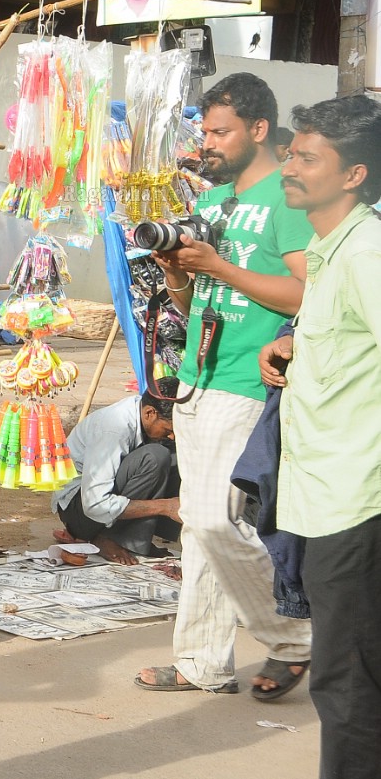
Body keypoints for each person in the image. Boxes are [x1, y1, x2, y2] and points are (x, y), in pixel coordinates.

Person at [136, 72, 312, 697]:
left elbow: (306, 291)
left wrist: (219, 265)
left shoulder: (289, 200)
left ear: (258, 130)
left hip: (248, 381)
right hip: (196, 379)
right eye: (204, 131)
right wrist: (177, 272)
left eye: (220, 131)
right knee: (197, 527)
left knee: (214, 520)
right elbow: (193, 297)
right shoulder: (209, 205)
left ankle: (295, 635)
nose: (206, 143)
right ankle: (201, 664)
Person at [261, 95, 381, 777]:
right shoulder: (329, 251)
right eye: (293, 150)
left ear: (354, 174)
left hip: (355, 501)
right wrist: (290, 345)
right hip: (326, 496)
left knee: (347, 687)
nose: (292, 164)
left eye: (308, 156)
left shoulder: (366, 252)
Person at [52, 381, 181, 566]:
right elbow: (95, 504)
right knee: (154, 457)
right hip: (79, 510)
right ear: (150, 413)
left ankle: (134, 541)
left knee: (177, 454)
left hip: (99, 501)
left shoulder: (143, 413)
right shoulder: (114, 428)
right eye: (168, 430)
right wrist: (164, 507)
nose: (172, 436)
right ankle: (106, 538)